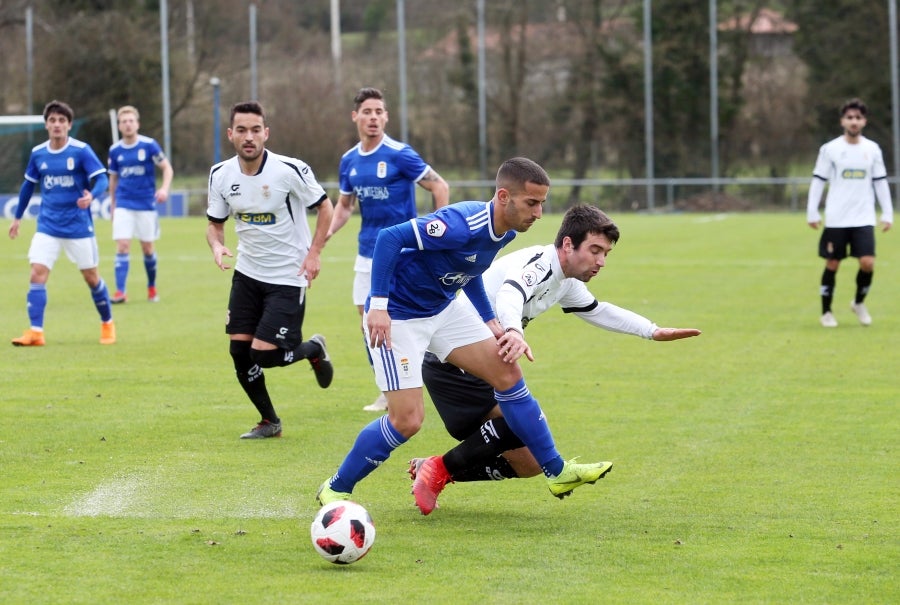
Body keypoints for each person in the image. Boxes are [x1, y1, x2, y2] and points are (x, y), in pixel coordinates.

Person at [316, 157, 613, 509]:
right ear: (504, 196)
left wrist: (489, 319)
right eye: (532, 203)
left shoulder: (507, 232)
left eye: (542, 203)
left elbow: (470, 267)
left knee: (507, 371)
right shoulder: (460, 224)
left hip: (443, 307)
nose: (538, 213)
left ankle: (556, 470)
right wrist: (378, 305)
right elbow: (389, 239)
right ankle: (336, 487)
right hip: (398, 313)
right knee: (407, 421)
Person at [408, 204, 701, 514]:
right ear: (567, 244)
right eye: (595, 250)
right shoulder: (539, 264)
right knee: (519, 421)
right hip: (452, 364)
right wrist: (513, 331)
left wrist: (651, 331)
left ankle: (437, 468)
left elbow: (597, 310)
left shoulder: (565, 281)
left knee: (529, 462)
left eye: (606, 254)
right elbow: (511, 293)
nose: (601, 261)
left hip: (478, 363)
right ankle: (440, 469)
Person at [206, 101, 336, 439]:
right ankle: (270, 421)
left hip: (287, 276)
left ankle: (313, 349)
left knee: (263, 355)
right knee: (239, 351)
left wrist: (315, 253)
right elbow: (214, 224)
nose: (249, 137)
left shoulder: (288, 170)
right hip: (247, 273)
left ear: (266, 132)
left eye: (255, 130)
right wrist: (217, 246)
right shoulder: (220, 175)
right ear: (230, 134)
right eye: (242, 130)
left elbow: (325, 207)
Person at [327, 87, 449, 412]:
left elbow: (440, 186)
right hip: (366, 253)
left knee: (399, 321)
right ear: (355, 116)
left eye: (379, 112)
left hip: (401, 254)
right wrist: (324, 235)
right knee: (367, 324)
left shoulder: (399, 154)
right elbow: (344, 206)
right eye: (367, 111)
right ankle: (387, 387)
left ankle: (419, 381)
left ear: (386, 117)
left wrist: (437, 234)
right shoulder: (349, 161)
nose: (373, 118)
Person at [9, 100, 116, 347]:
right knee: (37, 273)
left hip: (78, 226)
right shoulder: (38, 153)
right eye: (52, 120)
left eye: (62, 121)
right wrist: (17, 218)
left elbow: (100, 178)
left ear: (69, 125)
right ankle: (36, 332)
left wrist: (92, 195)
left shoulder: (81, 151)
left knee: (91, 277)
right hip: (47, 224)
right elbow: (27, 186)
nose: (57, 125)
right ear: (46, 125)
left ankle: (107, 323)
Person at [807, 98, 893, 328]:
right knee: (833, 263)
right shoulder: (830, 150)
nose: (854, 122)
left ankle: (859, 302)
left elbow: (880, 182)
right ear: (842, 121)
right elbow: (818, 180)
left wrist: (888, 212)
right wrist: (812, 211)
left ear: (864, 121)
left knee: (867, 262)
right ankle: (826, 312)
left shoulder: (872, 149)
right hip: (836, 217)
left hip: (863, 217)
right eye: (850, 117)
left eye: (858, 118)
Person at [107, 105, 174, 304]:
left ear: (137, 124)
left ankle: (151, 287)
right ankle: (120, 292)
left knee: (147, 248)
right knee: (122, 245)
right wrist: (112, 204)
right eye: (124, 121)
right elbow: (113, 180)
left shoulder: (149, 145)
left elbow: (167, 168)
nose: (127, 125)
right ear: (119, 125)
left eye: (131, 121)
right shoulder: (115, 150)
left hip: (146, 205)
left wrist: (164, 189)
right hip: (124, 204)